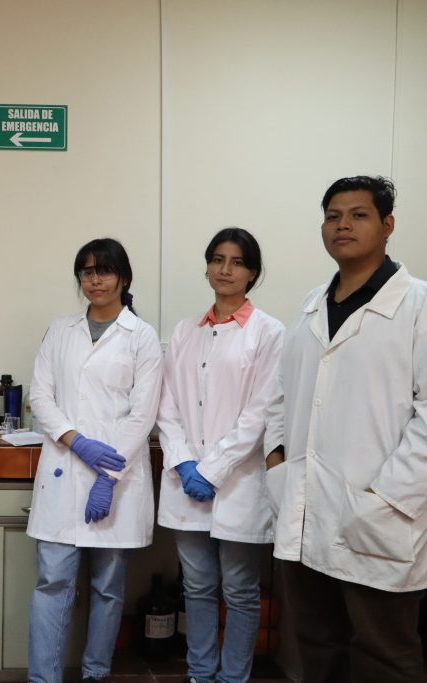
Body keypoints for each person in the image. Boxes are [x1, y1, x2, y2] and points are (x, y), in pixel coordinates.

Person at [265, 176, 427, 683]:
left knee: (384, 655)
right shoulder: (311, 304)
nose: (342, 225)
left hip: (383, 516)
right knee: (316, 645)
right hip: (307, 511)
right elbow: (280, 394)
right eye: (333, 216)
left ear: (387, 225)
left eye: (358, 215)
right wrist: (276, 460)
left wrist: (386, 497)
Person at [26, 238, 162, 683]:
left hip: (116, 478)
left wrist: (108, 475)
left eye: (105, 271)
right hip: (64, 470)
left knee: (108, 588)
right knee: (52, 583)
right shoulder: (60, 330)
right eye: (87, 272)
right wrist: (77, 441)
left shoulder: (142, 337)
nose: (96, 280)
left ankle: (95, 674)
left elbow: (142, 414)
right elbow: (40, 396)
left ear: (123, 277)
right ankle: (43, 678)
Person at [156, 228, 284, 683]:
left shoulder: (269, 332)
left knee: (241, 590)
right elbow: (166, 403)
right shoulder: (184, 331)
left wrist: (212, 469)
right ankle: (200, 673)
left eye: (237, 262)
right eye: (217, 259)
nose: (225, 270)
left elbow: (260, 413)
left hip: (239, 481)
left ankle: (233, 678)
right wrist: (183, 462)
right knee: (197, 587)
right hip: (186, 479)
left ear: (252, 272)